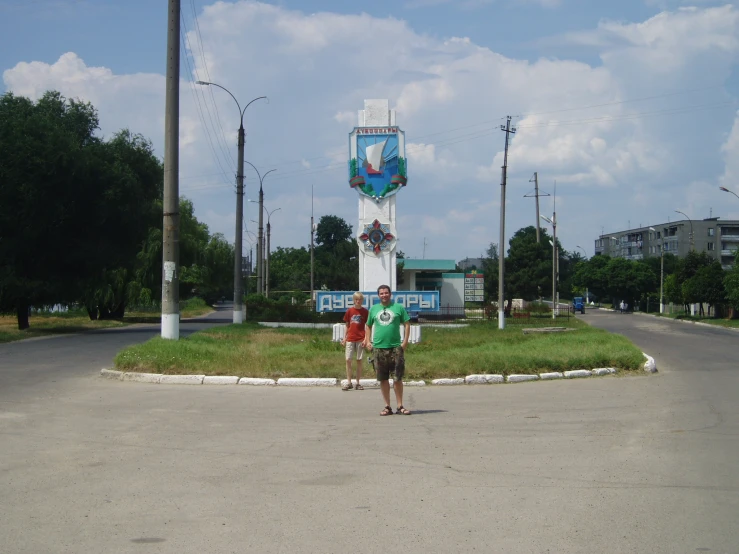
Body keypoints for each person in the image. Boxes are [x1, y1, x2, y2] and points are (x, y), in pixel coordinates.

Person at [364, 284, 411, 416]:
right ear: (378, 295)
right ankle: (387, 406)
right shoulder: (373, 309)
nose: (384, 295)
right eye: (381, 293)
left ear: (390, 294)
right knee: (383, 378)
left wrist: (405, 342)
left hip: (396, 348)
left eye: (386, 293)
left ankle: (400, 406)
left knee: (397, 378)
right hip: (378, 348)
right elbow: (368, 326)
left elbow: (407, 324)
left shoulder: (398, 308)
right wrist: (368, 341)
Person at [340, 292, 369, 391]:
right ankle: (349, 382)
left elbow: (368, 326)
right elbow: (347, 325)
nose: (358, 301)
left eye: (360, 299)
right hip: (350, 338)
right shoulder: (349, 311)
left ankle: (358, 382)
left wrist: (367, 339)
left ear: (362, 300)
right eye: (356, 299)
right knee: (348, 359)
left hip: (361, 338)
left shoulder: (365, 312)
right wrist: (344, 338)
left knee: (359, 360)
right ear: (354, 300)